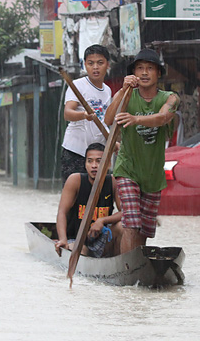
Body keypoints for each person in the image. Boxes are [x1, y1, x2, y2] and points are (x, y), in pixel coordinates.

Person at [104, 48, 180, 254]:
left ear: (158, 74)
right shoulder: (127, 95)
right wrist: (122, 90)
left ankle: (137, 268)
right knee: (131, 223)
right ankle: (127, 269)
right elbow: (108, 119)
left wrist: (136, 119)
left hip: (153, 175)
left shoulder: (170, 98)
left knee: (144, 230)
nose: (144, 73)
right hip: (127, 169)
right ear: (134, 73)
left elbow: (163, 118)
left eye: (149, 68)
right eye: (140, 69)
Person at [55, 143, 123, 258]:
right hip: (77, 240)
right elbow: (62, 212)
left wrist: (101, 220)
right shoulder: (75, 180)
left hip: (102, 238)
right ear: (85, 164)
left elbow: (126, 212)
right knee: (78, 251)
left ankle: (119, 264)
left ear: (108, 164)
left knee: (122, 226)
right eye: (90, 161)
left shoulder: (113, 182)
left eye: (99, 161)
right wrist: (63, 240)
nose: (94, 165)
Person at [61, 44, 112, 184]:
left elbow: (103, 121)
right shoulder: (78, 85)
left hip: (96, 155)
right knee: (74, 198)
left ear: (107, 64)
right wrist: (84, 115)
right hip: (75, 152)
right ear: (85, 65)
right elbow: (68, 113)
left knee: (95, 199)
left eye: (100, 63)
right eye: (91, 63)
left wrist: (112, 141)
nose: (95, 67)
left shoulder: (107, 91)